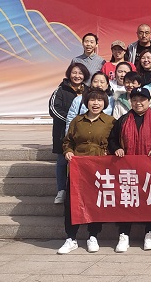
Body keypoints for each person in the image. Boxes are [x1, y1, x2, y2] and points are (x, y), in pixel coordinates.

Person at [108, 87, 151, 253]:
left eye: (142, 100)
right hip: (128, 170)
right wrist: (116, 149)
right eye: (134, 100)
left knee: (150, 200)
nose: (138, 103)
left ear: (148, 101)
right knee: (127, 201)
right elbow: (112, 140)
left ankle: (150, 233)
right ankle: (124, 234)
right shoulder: (123, 120)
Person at [57, 89, 115, 254]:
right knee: (72, 203)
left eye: (99, 100)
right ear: (86, 102)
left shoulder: (110, 122)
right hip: (78, 169)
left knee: (95, 202)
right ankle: (71, 237)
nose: (96, 103)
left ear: (105, 103)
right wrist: (68, 151)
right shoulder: (77, 121)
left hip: (98, 169)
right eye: (92, 100)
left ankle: (93, 235)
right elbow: (68, 141)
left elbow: (115, 142)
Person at [49, 62, 89, 205]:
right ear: (69, 74)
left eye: (80, 73)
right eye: (74, 73)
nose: (77, 76)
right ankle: (61, 190)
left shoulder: (88, 91)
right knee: (62, 161)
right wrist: (71, 121)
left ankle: (80, 190)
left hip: (84, 133)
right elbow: (53, 110)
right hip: (63, 133)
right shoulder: (60, 90)